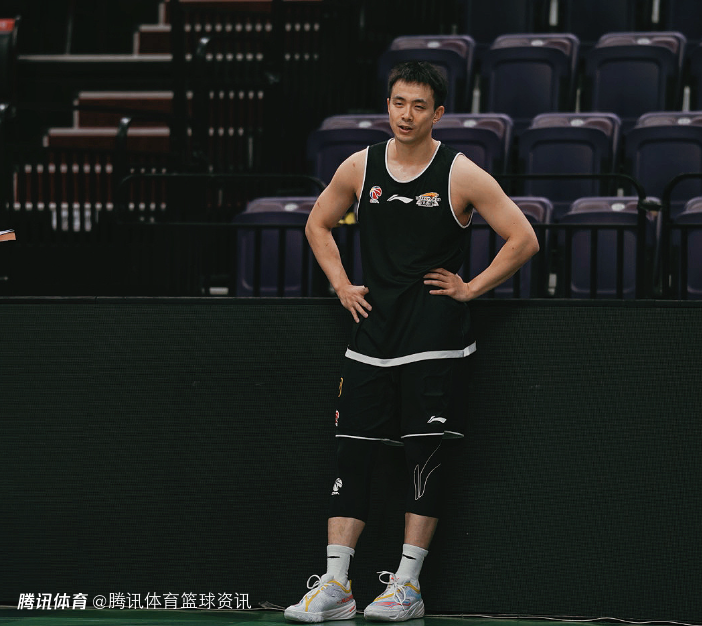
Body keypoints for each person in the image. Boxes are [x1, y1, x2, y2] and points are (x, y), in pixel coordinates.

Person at [284, 61, 539, 623]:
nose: (406, 114)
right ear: (388, 105)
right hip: (370, 335)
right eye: (399, 103)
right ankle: (336, 585)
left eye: (419, 106)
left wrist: (470, 288)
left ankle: (407, 585)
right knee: (352, 451)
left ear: (437, 113)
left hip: (434, 341)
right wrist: (341, 284)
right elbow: (317, 224)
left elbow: (523, 238)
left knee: (424, 458)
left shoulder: (460, 173)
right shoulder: (360, 166)